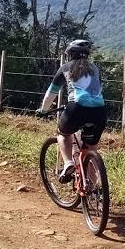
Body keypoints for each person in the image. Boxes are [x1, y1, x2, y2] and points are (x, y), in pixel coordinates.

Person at [40, 39, 106, 183]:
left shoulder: (65, 68)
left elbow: (51, 93)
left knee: (63, 133)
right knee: (91, 150)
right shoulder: (95, 69)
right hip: (100, 111)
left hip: (76, 108)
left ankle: (68, 163)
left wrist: (43, 110)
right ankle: (93, 188)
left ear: (70, 54)